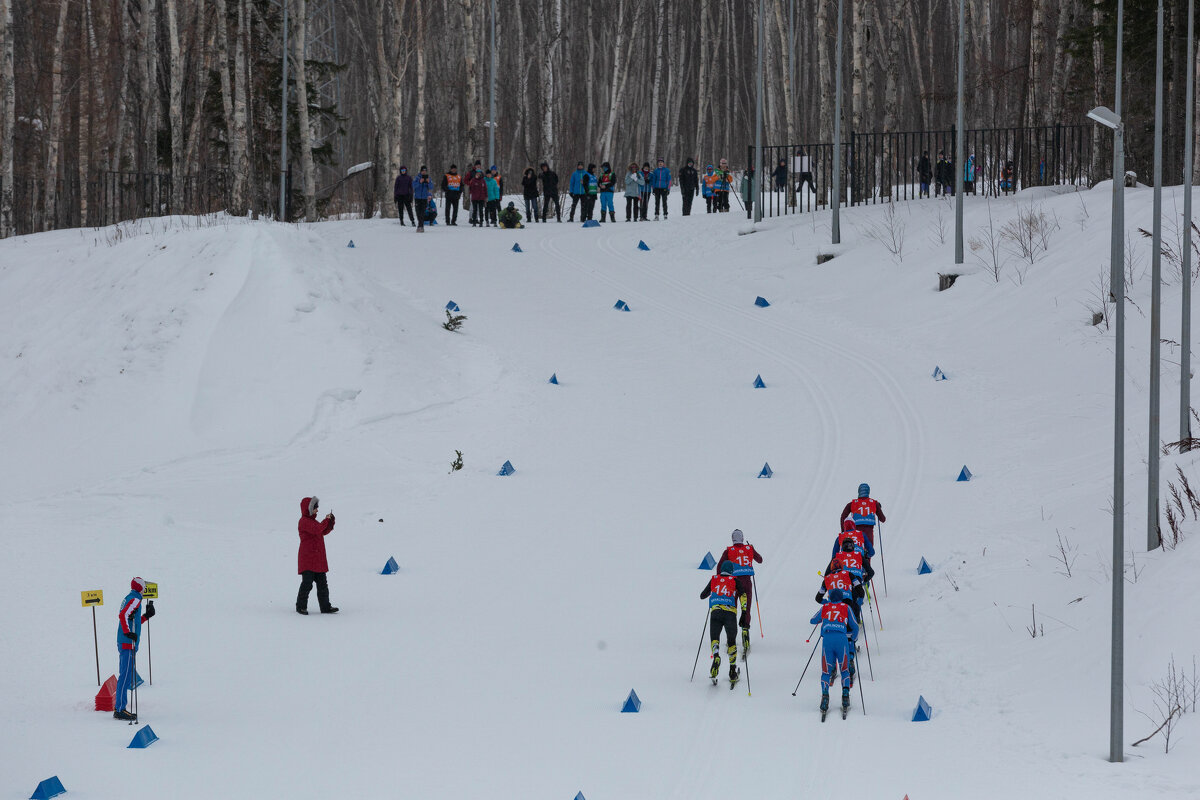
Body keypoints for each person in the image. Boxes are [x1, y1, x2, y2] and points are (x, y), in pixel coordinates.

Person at [809, 588, 859, 715]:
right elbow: (855, 626)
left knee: (826, 671)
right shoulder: (846, 607)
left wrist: (824, 620)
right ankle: (845, 697)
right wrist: (853, 638)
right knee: (844, 670)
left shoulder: (826, 606)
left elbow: (813, 620)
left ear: (830, 597)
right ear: (841, 597)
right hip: (842, 640)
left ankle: (825, 697)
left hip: (828, 640)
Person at [114, 577, 155, 721]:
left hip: (126, 641)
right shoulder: (135, 599)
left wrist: (145, 616)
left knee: (125, 675)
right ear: (140, 588)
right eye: (144, 588)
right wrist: (127, 633)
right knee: (125, 676)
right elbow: (123, 615)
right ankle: (119, 709)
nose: (144, 590)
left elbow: (133, 621)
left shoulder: (132, 598)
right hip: (127, 642)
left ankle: (120, 707)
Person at [717, 529, 763, 654]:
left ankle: (730, 637)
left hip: (733, 584)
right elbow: (760, 560)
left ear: (732, 539)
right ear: (742, 538)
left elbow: (719, 567)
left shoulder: (728, 551)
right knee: (746, 608)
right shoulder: (749, 549)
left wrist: (720, 581)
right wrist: (752, 549)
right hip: (747, 583)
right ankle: (745, 632)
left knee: (732, 609)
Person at [699, 560, 741, 686]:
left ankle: (716, 656)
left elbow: (702, 595)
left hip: (715, 612)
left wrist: (713, 594)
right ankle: (732, 671)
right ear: (731, 571)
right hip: (730, 613)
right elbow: (743, 594)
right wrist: (744, 613)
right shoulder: (735, 580)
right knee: (731, 641)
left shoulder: (714, 579)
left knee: (715, 638)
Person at [297, 496, 338, 615]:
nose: (317, 509)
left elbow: (323, 531)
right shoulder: (304, 521)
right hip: (308, 559)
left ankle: (325, 607)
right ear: (309, 508)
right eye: (315, 507)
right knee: (307, 584)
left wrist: (330, 522)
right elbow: (317, 529)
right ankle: (300, 606)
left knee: (322, 585)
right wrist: (326, 520)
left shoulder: (313, 522)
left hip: (318, 559)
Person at [839, 482, 886, 552]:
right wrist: (877, 507)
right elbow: (883, 519)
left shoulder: (852, 504)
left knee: (855, 551)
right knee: (868, 552)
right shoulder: (874, 503)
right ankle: (867, 562)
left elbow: (843, 517)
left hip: (856, 532)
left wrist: (844, 530)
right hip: (869, 532)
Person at [413, 166, 433, 232]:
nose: (424, 172)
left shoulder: (428, 178)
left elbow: (431, 187)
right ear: (421, 171)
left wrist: (428, 182)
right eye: (423, 171)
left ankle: (420, 226)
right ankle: (420, 225)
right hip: (417, 198)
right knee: (418, 212)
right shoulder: (417, 178)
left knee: (422, 212)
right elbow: (413, 186)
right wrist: (419, 182)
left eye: (425, 171)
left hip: (424, 198)